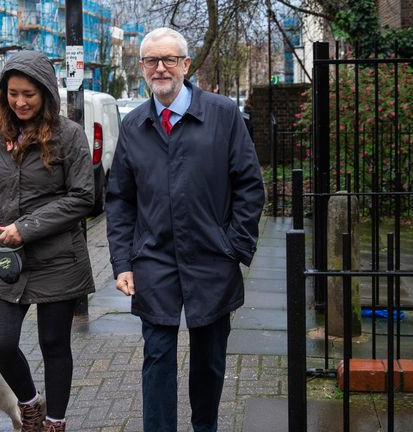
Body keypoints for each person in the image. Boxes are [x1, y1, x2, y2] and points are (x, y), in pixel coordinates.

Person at [105, 28, 265, 432]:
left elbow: (250, 186)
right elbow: (120, 199)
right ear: (141, 68)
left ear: (186, 65)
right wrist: (123, 261)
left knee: (209, 359)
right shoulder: (134, 124)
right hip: (154, 259)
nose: (161, 68)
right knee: (157, 356)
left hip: (212, 257)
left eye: (169, 60)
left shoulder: (223, 114)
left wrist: (235, 247)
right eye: (151, 61)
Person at [0, 50, 95, 432]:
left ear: (45, 92)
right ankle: (29, 404)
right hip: (8, 256)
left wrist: (25, 228)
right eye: (12, 93)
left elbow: (82, 198)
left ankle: (54, 423)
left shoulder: (70, 135)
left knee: (54, 344)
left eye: (28, 93)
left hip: (58, 258)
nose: (20, 101)